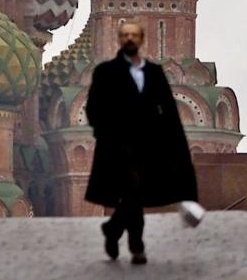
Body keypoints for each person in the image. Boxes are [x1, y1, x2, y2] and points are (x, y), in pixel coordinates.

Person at [85, 20, 205, 265]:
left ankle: (114, 229)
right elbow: (95, 107)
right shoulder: (105, 72)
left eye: (134, 35)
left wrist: (172, 141)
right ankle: (136, 246)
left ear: (141, 40)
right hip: (118, 144)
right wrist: (103, 132)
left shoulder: (154, 72)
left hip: (148, 145)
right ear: (120, 39)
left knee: (134, 194)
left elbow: (169, 110)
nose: (129, 39)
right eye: (125, 35)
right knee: (133, 191)